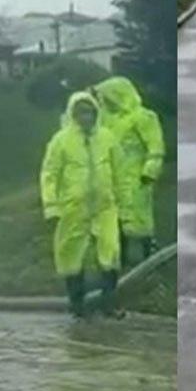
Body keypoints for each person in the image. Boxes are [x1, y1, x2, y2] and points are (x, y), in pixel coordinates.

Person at [40, 92, 126, 318]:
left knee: (111, 252)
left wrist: (123, 202)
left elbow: (121, 171)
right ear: (73, 114)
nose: (86, 117)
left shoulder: (107, 138)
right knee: (70, 254)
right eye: (81, 113)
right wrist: (51, 206)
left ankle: (109, 303)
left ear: (96, 112)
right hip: (73, 207)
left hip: (105, 206)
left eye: (89, 112)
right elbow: (50, 174)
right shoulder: (61, 141)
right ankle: (77, 304)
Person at [93, 76, 164, 268]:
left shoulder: (143, 117)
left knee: (140, 214)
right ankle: (122, 258)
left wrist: (150, 171)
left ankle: (149, 251)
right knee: (115, 217)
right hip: (113, 177)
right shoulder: (106, 121)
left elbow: (155, 146)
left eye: (108, 97)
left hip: (137, 176)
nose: (105, 102)